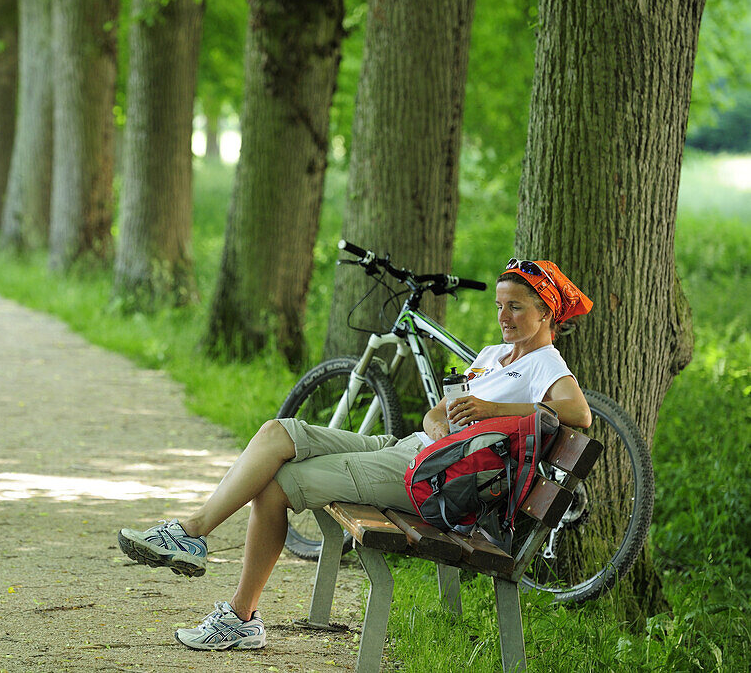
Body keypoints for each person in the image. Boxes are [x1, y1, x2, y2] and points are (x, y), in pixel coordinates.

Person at [117, 258, 594, 651]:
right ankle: (193, 533)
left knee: (277, 484)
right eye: (499, 306)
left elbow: (579, 413)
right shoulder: (493, 354)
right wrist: (442, 422)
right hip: (412, 449)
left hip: (427, 480)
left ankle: (238, 614)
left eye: (516, 308)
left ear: (546, 313)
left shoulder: (544, 363)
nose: (504, 317)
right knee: (278, 433)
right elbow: (434, 415)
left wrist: (491, 408)